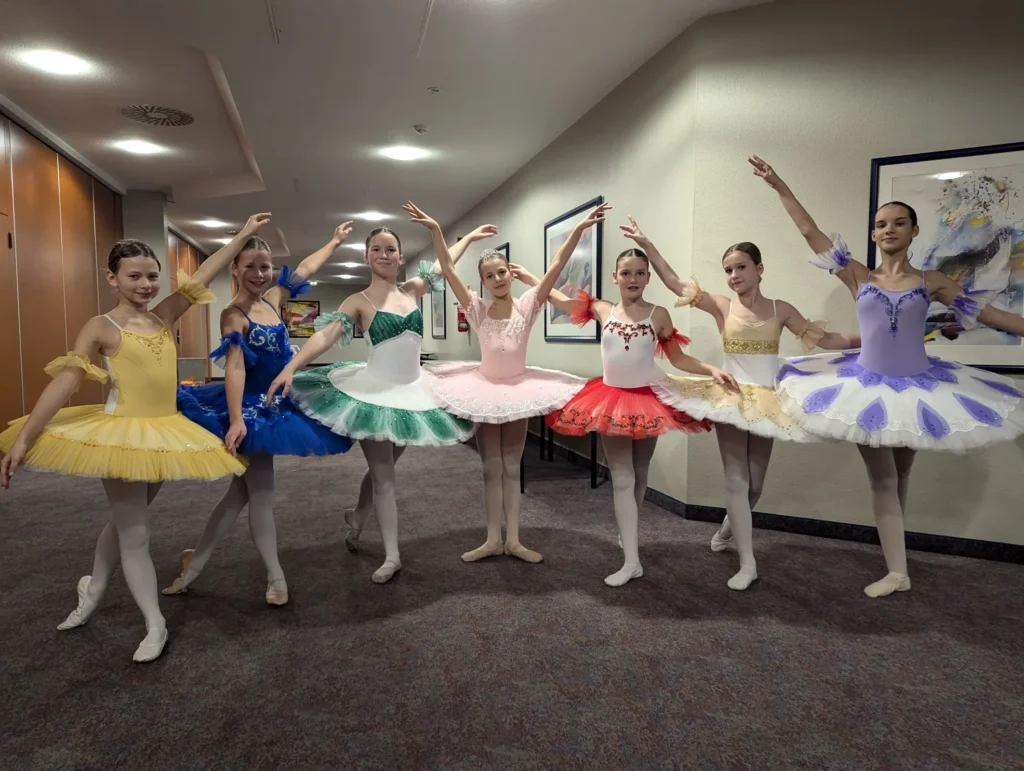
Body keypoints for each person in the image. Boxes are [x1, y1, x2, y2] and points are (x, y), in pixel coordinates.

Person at [750, 154, 1024, 597]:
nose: (888, 229)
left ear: (915, 231)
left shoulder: (932, 280)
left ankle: (896, 557)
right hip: (867, 389)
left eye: (899, 223)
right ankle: (898, 571)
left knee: (902, 473)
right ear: (874, 232)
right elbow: (810, 234)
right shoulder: (859, 275)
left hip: (920, 387)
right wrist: (780, 185)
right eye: (881, 224)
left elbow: (992, 315)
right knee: (883, 478)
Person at [0, 218, 266, 660]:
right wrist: (26, 437)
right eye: (134, 276)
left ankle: (94, 585)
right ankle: (155, 623)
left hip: (163, 432)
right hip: (121, 435)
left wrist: (239, 238)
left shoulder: (163, 316)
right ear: (112, 278)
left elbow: (203, 275)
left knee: (128, 520)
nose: (145, 284)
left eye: (152, 276)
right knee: (137, 531)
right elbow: (66, 382)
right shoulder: (101, 327)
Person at [624, 218, 859, 590]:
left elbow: (827, 338)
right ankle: (748, 563)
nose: (734, 275)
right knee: (736, 480)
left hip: (767, 400)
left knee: (755, 485)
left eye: (741, 267)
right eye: (728, 270)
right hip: (731, 397)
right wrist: (647, 243)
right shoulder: (721, 305)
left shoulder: (781, 309)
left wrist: (873, 340)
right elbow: (673, 281)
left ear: (759, 269)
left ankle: (728, 528)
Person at [266, 224, 481, 583]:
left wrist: (468, 239)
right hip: (374, 396)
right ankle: (392, 555)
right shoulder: (358, 301)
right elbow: (325, 336)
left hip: (412, 394)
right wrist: (290, 367)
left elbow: (443, 264)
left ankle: (357, 518)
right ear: (366, 256)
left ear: (399, 255)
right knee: (385, 478)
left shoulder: (413, 289)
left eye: (391, 249)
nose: (385, 255)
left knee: (385, 468)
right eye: (377, 249)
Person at [164, 223, 358, 605]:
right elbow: (234, 368)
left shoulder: (274, 299)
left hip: (279, 402)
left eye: (265, 267)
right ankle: (276, 577)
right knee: (262, 494)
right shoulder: (232, 314)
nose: (259, 274)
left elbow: (306, 268)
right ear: (234, 268)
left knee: (240, 495)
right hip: (251, 408)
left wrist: (333, 242)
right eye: (250, 266)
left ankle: (195, 563)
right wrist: (237, 420)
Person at [546, 213, 739, 587]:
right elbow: (554, 296)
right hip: (610, 399)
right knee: (621, 476)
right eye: (625, 273)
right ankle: (631, 559)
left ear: (647, 278)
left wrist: (710, 369)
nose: (632, 279)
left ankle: (628, 532)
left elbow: (678, 358)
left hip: (647, 399)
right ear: (615, 277)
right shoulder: (602, 309)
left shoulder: (659, 314)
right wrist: (542, 271)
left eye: (639, 273)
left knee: (639, 472)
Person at [406, 201, 589, 564]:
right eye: (490, 276)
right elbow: (446, 268)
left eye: (502, 272)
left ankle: (515, 540)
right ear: (483, 282)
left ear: (511, 273)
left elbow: (555, 268)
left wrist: (579, 231)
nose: (498, 279)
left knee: (511, 466)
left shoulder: (528, 305)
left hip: (519, 391)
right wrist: (437, 232)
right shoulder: (477, 308)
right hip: (484, 391)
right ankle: (492, 538)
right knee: (490, 467)